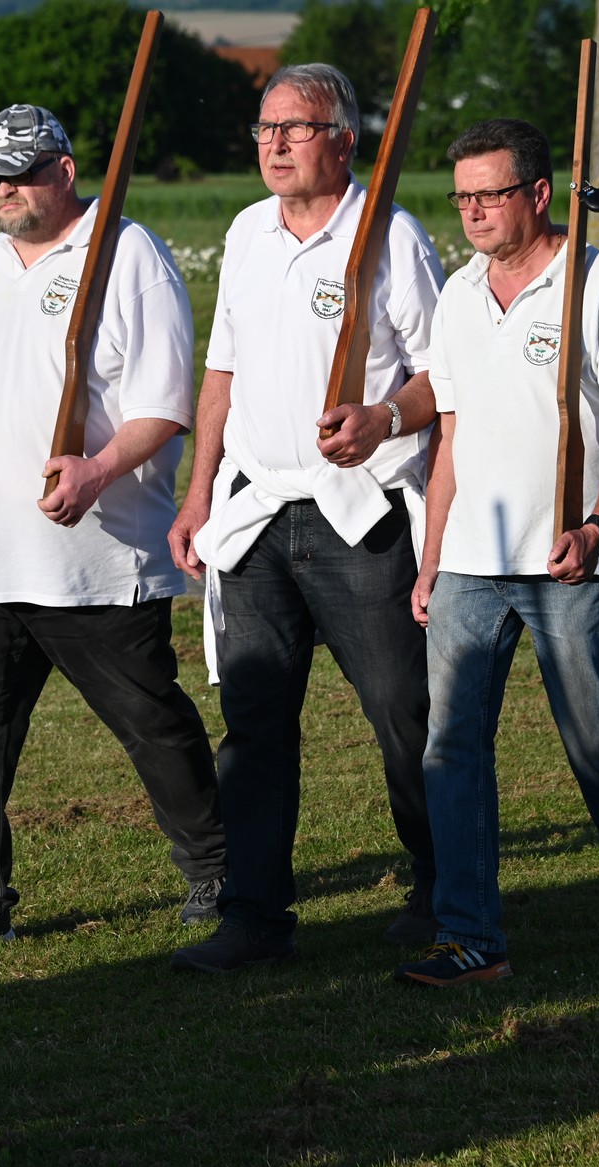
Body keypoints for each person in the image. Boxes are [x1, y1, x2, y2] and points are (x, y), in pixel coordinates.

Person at [0, 104, 226, 950]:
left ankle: (218, 869)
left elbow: (165, 407)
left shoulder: (130, 256)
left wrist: (96, 470)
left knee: (150, 723)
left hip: (96, 558)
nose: (4, 193)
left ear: (66, 171)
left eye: (19, 175)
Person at [395, 118, 599, 988]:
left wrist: (598, 524)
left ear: (538, 193)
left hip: (569, 558)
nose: (473, 211)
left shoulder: (596, 284)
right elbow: (451, 434)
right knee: (452, 745)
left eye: (490, 194)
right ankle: (471, 935)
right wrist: (431, 556)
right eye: (462, 197)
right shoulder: (458, 295)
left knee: (597, 740)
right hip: (470, 562)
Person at [166, 64, 445, 973]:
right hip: (257, 512)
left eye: (296, 127)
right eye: (265, 128)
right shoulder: (247, 232)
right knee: (253, 719)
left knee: (402, 708)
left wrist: (382, 418)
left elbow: (444, 375)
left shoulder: (390, 235)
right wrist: (200, 492)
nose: (276, 143)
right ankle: (255, 915)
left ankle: (442, 884)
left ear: (345, 140)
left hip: (361, 517)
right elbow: (222, 373)